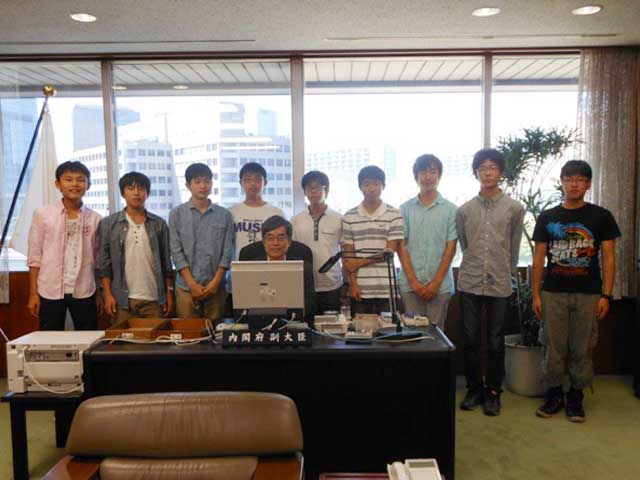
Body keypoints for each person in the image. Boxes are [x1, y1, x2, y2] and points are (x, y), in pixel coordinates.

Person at [532, 160, 620, 423]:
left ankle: (576, 396)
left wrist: (606, 295)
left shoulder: (601, 216)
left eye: (580, 179)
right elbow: (539, 258)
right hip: (553, 292)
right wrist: (536, 295)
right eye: (569, 179)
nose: (574, 184)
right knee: (553, 347)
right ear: (562, 182)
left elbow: (609, 257)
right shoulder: (547, 217)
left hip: (589, 293)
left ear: (588, 184)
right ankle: (554, 394)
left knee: (583, 347)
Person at [456, 148, 525, 416]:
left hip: (499, 281)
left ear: (500, 172)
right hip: (470, 280)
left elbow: (514, 248)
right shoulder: (464, 210)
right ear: (476, 173)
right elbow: (465, 245)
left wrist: (507, 272)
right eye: (482, 168)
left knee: (496, 340)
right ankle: (474, 389)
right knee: (470, 338)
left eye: (493, 167)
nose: (488, 172)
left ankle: (494, 391)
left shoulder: (514, 208)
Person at [27, 161, 102, 330]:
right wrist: (33, 294)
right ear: (58, 184)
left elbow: (97, 260)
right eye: (68, 179)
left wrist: (99, 293)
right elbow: (34, 256)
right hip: (49, 289)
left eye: (80, 180)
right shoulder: (43, 215)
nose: (74, 184)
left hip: (85, 289)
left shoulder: (96, 219)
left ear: (88, 185)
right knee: (50, 339)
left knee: (88, 338)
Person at [98, 172, 174, 323]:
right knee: (122, 338)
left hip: (154, 298)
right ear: (123, 193)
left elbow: (166, 263)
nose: (136, 192)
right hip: (121, 300)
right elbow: (104, 264)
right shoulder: (109, 224)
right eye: (130, 188)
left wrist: (169, 293)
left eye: (141, 188)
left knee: (156, 337)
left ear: (147, 193)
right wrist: (107, 295)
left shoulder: (158, 224)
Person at [397, 154, 457, 329]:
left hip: (440, 286)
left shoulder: (451, 210)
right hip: (410, 286)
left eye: (433, 171)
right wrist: (414, 282)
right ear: (416, 177)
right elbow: (401, 247)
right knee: (412, 335)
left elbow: (451, 247)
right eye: (423, 172)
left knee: (437, 335)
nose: (428, 176)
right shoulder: (405, 209)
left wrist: (436, 283)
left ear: (439, 176)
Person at [169, 163, 233, 322]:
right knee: (189, 333)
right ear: (188, 185)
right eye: (197, 182)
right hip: (186, 288)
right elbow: (176, 251)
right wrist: (192, 284)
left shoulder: (224, 215)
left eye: (207, 181)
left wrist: (215, 283)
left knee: (217, 333)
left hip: (216, 288)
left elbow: (227, 252)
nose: (203, 186)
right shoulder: (177, 214)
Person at [342, 165, 404, 315]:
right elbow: (348, 257)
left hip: (387, 288)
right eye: (367, 184)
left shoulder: (394, 214)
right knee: (359, 330)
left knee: (387, 329)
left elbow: (389, 252)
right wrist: (353, 284)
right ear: (360, 187)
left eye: (376, 183)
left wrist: (359, 262)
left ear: (383, 186)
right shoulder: (349, 216)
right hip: (360, 289)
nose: (371, 188)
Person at [239, 215, 316, 321]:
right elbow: (243, 304)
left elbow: (309, 305)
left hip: (293, 322)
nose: (275, 243)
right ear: (263, 242)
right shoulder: (250, 268)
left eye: (281, 238)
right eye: (270, 238)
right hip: (258, 322)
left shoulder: (303, 268)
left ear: (289, 242)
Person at [291, 171, 344, 314]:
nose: (313, 191)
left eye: (318, 187)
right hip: (304, 284)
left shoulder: (339, 219)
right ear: (305, 192)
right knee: (306, 325)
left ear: (326, 190)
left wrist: (347, 283)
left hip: (332, 284)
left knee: (332, 325)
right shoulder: (296, 220)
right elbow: (292, 253)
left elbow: (345, 253)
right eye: (309, 187)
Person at [230, 162, 285, 259]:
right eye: (248, 179)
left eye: (258, 179)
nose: (253, 183)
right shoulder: (231, 212)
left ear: (265, 182)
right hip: (239, 265)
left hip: (268, 265)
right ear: (241, 183)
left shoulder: (276, 213)